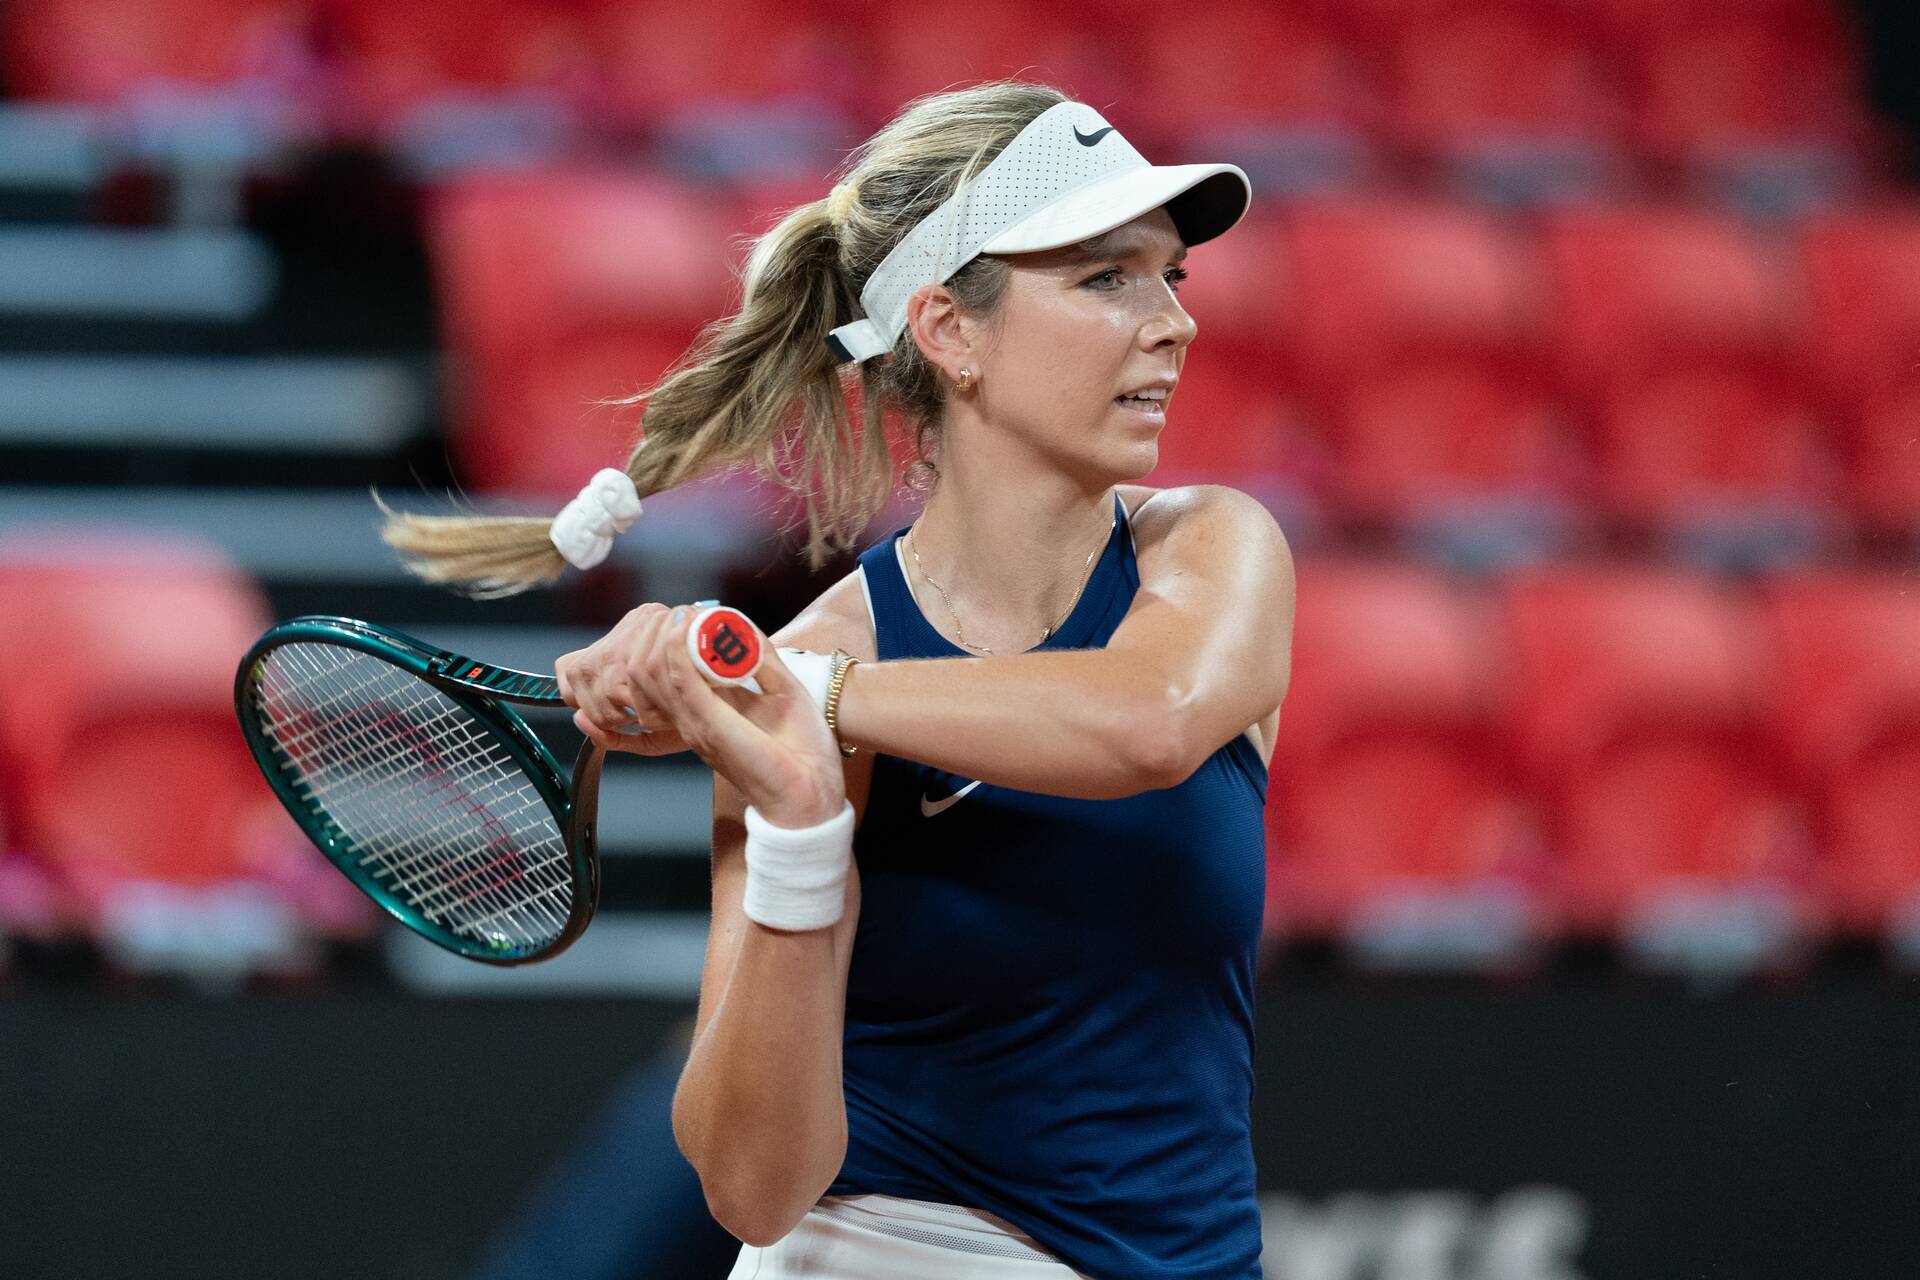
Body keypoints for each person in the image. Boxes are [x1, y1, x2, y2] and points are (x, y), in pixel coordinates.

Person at [379, 80, 1294, 1280]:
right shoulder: (817, 661)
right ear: (949, 331)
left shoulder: (1213, 549)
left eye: (1171, 274)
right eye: (1105, 277)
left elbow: (1150, 721)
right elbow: (756, 1184)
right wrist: (803, 829)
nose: (1172, 321)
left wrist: (796, 692)